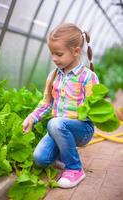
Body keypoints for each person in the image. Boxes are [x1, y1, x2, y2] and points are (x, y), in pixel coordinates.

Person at [22, 23, 99, 188]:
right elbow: (46, 102)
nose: (54, 58)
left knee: (55, 123)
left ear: (76, 51)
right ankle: (65, 155)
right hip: (58, 128)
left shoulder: (87, 77)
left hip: (82, 129)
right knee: (40, 158)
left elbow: (95, 107)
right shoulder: (54, 75)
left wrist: (91, 110)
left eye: (59, 54)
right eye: (52, 54)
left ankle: (75, 168)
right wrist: (32, 117)